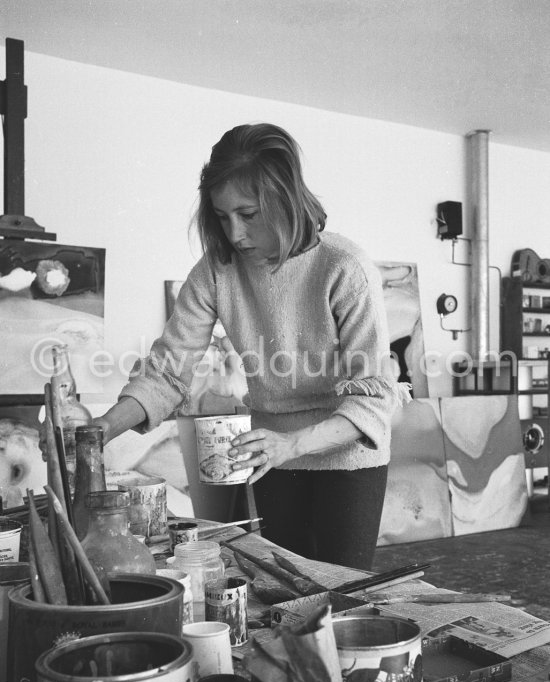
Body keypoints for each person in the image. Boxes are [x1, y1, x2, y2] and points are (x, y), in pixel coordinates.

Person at [94, 123, 410, 569]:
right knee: (284, 589)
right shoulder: (217, 271)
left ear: (286, 199)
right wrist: (101, 429)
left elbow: (374, 401)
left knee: (339, 593)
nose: (235, 233)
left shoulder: (345, 268)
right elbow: (167, 371)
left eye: (248, 214)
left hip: (346, 454)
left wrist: (293, 444)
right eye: (222, 218)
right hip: (269, 453)